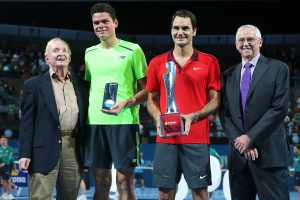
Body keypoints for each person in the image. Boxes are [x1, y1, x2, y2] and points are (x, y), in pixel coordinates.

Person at [146, 10, 221, 200]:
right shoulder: (156, 63)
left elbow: (215, 101)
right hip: (166, 139)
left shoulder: (209, 61)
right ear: (171, 31)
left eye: (185, 28)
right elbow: (151, 99)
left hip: (196, 138)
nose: (180, 32)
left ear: (194, 31)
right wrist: (157, 118)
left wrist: (193, 116)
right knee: (164, 194)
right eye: (176, 27)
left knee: (201, 194)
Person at [84, 3, 148, 200]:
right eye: (96, 22)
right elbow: (90, 87)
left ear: (115, 23)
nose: (100, 25)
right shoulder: (89, 53)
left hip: (124, 123)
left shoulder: (133, 50)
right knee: (100, 182)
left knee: (124, 183)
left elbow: (149, 89)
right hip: (94, 124)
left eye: (105, 21)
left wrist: (127, 103)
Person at [220, 24, 290, 200]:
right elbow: (224, 113)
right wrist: (240, 141)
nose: (246, 43)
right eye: (241, 40)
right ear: (236, 45)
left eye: (250, 39)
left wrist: (250, 138)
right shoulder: (227, 75)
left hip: (269, 156)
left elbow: (279, 108)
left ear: (260, 42)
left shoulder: (278, 69)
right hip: (239, 157)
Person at [18, 37, 87, 200]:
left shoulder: (82, 85)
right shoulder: (33, 85)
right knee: (40, 197)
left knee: (69, 196)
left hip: (73, 148)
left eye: (64, 51)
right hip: (42, 149)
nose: (61, 54)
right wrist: (24, 153)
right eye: (56, 50)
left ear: (69, 57)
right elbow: (27, 122)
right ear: (47, 58)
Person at [0, 135, 15, 199]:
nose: (3, 141)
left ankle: (10, 194)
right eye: (1, 140)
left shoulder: (10, 149)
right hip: (1, 167)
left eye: (4, 140)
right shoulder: (0, 149)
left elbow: (9, 158)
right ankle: (5, 193)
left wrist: (4, 163)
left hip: (8, 165)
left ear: (7, 141)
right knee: (3, 180)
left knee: (8, 180)